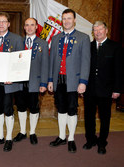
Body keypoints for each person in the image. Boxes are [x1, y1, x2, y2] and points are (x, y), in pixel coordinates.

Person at [48, 9, 91, 153]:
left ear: (74, 20)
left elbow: (86, 62)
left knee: (72, 110)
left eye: (69, 18)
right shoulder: (55, 38)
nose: (66, 21)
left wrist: (83, 81)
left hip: (74, 80)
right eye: (64, 18)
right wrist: (50, 80)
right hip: (58, 79)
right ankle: (61, 136)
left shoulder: (83, 38)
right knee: (61, 108)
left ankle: (71, 138)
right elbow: (52, 61)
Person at [0, 12, 24, 152]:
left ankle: (8, 138)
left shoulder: (17, 39)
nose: (1, 24)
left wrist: (13, 77)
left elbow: (21, 62)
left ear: (8, 24)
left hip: (9, 83)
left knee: (8, 110)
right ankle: (0, 136)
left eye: (4, 21)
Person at [83, 21, 122, 154]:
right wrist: (82, 86)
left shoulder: (115, 47)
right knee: (89, 117)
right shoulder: (88, 46)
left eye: (100, 29)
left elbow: (118, 70)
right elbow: (84, 68)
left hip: (107, 90)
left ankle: (102, 142)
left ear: (106, 30)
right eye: (95, 30)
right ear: (92, 32)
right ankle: (90, 140)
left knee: (105, 118)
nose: (98, 32)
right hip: (89, 90)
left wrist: (117, 89)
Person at [13, 18, 49, 145]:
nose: (29, 27)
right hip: (19, 83)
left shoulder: (43, 43)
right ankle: (22, 132)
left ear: (36, 27)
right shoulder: (18, 42)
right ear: (24, 27)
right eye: (27, 25)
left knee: (34, 108)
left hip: (35, 82)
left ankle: (32, 132)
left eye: (32, 25)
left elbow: (45, 65)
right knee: (21, 107)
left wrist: (43, 83)